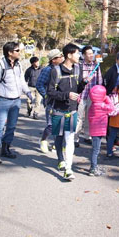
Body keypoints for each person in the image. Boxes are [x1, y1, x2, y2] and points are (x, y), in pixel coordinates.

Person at [0, 41, 33, 165]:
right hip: (3, 101)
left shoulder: (18, 65)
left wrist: (28, 92)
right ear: (10, 52)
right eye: (17, 50)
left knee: (11, 126)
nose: (20, 52)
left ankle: (6, 148)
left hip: (16, 101)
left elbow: (21, 81)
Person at [47, 43, 84, 181]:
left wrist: (84, 83)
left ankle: (68, 169)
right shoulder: (55, 71)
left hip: (72, 110)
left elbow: (78, 90)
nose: (78, 56)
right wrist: (66, 95)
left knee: (70, 139)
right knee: (59, 137)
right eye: (76, 53)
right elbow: (50, 92)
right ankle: (60, 158)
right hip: (58, 110)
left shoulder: (78, 69)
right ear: (69, 55)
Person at [35, 49, 64, 153]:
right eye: (59, 57)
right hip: (51, 101)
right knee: (51, 125)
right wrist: (46, 95)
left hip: (61, 100)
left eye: (62, 56)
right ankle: (43, 140)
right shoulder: (47, 70)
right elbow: (39, 84)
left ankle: (57, 144)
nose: (62, 58)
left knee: (60, 124)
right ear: (53, 60)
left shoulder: (63, 69)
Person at [75, 45, 102, 146]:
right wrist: (84, 80)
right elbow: (76, 81)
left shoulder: (97, 66)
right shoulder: (79, 66)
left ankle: (87, 136)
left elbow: (100, 81)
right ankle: (75, 138)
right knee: (79, 118)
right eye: (89, 54)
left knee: (89, 117)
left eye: (92, 53)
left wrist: (99, 96)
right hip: (82, 95)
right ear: (83, 55)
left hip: (92, 96)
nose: (91, 55)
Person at [87, 85, 114, 176]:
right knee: (96, 150)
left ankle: (94, 166)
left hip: (94, 130)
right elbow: (111, 108)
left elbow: (89, 116)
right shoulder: (102, 105)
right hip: (99, 131)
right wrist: (106, 98)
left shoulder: (93, 105)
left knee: (95, 149)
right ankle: (93, 168)